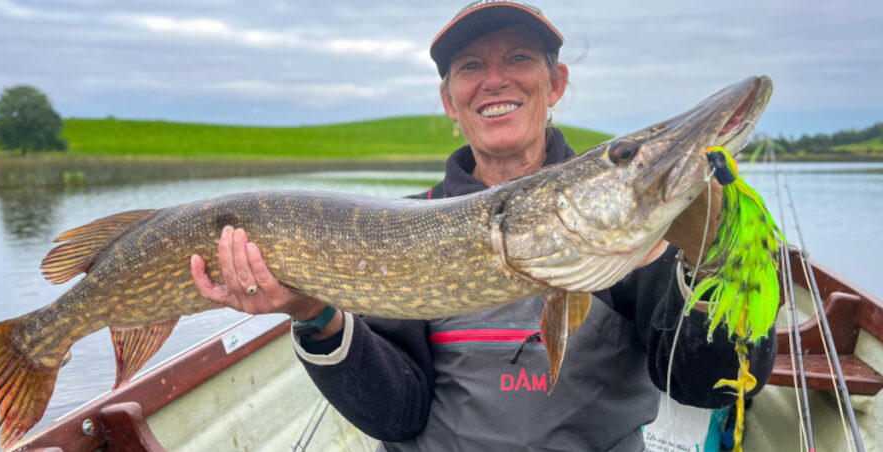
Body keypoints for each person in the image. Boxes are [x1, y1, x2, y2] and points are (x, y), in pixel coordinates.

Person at [190, 1, 777, 450]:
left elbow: (707, 387)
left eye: (519, 59)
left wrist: (717, 265)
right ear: (450, 100)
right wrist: (313, 314)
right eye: (471, 67)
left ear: (556, 84)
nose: (495, 81)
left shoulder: (635, 229)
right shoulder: (400, 231)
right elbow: (399, 413)